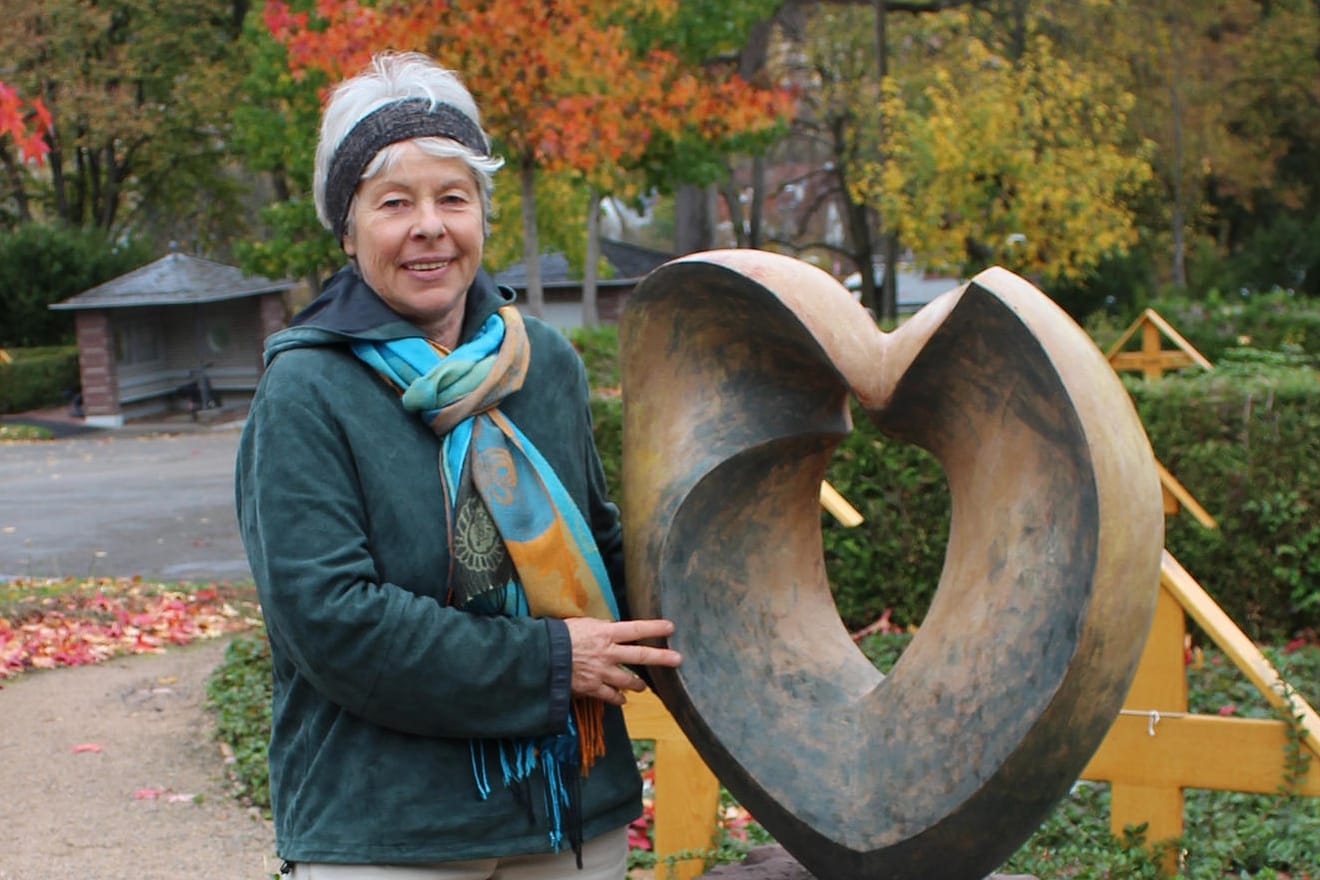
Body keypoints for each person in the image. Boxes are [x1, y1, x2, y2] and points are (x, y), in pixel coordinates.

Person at [235, 51, 683, 880]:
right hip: (390, 825)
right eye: (394, 203)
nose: (429, 226)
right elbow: (332, 621)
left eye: (453, 198)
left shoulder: (543, 364)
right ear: (348, 226)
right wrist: (552, 662)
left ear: (483, 215)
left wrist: (726, 597)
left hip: (568, 804)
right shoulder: (307, 388)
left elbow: (604, 549)